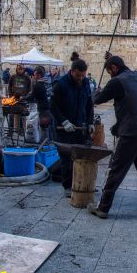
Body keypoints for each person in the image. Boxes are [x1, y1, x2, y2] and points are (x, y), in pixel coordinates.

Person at [88, 54, 137, 219]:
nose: (109, 75)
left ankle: (103, 207)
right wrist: (118, 125)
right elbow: (132, 104)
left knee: (115, 169)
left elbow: (98, 99)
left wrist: (96, 92)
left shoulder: (116, 82)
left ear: (114, 68)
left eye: (109, 71)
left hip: (130, 134)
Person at [51, 59, 94, 198]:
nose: (80, 78)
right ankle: (67, 186)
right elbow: (53, 106)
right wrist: (63, 121)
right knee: (67, 159)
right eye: (78, 76)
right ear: (72, 71)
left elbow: (89, 104)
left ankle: (80, 182)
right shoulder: (61, 85)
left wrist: (90, 122)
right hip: (65, 129)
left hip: (81, 127)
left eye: (83, 75)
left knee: (80, 157)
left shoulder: (86, 83)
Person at [24, 66, 53, 142]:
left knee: (44, 128)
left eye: (35, 74)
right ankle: (48, 143)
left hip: (43, 109)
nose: (34, 75)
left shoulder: (38, 85)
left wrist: (23, 98)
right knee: (48, 129)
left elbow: (32, 97)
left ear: (39, 75)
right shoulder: (48, 82)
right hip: (49, 108)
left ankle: (45, 145)